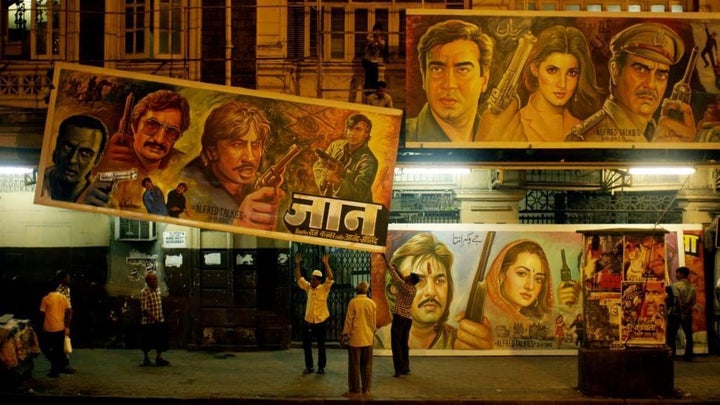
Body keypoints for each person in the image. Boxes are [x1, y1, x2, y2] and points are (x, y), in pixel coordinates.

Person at [565, 23, 694, 143]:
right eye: (641, 69)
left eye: (661, 75)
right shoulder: (585, 138)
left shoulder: (661, 131)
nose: (651, 85)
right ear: (615, 71)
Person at [489, 25, 605, 142]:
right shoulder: (514, 124)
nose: (562, 84)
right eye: (552, 70)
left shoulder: (584, 129)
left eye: (571, 73)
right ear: (535, 68)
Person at [181, 101, 284, 230]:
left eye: (255, 145)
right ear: (212, 152)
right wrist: (237, 227)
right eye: (237, 145)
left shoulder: (255, 183)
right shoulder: (189, 188)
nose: (250, 158)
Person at [90, 89, 191, 209]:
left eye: (172, 131)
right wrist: (102, 170)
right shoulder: (105, 160)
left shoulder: (184, 168)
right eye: (152, 125)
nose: (159, 140)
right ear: (134, 126)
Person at [405, 19, 494, 143]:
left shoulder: (499, 137)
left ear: (484, 80)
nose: (449, 84)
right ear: (424, 78)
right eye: (437, 69)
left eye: (462, 70)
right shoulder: (399, 138)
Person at [41, 113, 109, 203]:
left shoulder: (100, 201)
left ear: (97, 159)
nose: (72, 160)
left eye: (85, 153)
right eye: (67, 147)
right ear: (57, 146)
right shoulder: (38, 184)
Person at [312, 113, 378, 203]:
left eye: (358, 129)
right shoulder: (335, 146)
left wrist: (337, 182)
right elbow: (318, 165)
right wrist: (323, 179)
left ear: (366, 133)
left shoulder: (369, 161)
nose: (352, 133)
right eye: (350, 128)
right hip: (329, 201)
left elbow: (359, 193)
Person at [376, 252, 418, 377]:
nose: (406, 276)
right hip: (407, 319)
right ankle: (405, 366)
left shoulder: (404, 286)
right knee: (404, 343)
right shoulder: (412, 288)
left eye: (408, 276)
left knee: (396, 343)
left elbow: (394, 275)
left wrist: (386, 259)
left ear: (410, 280)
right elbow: (401, 277)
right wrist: (396, 268)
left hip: (399, 318)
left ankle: (398, 369)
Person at [295, 252, 334, 374]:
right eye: (311, 279)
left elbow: (331, 278)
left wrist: (326, 263)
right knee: (307, 346)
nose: (311, 280)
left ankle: (321, 367)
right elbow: (299, 278)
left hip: (321, 321)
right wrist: (298, 264)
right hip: (308, 321)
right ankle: (309, 366)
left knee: (321, 346)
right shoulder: (308, 288)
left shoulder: (324, 289)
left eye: (313, 279)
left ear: (319, 280)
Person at [340, 281, 376, 397]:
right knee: (367, 365)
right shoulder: (372, 303)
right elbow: (373, 324)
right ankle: (366, 389)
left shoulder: (353, 302)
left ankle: (355, 389)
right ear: (367, 290)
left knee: (354, 365)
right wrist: (371, 333)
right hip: (368, 338)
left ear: (357, 290)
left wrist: (344, 334)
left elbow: (349, 320)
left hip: (355, 338)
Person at [39, 281, 73, 377]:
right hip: (60, 328)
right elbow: (70, 312)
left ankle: (55, 368)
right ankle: (56, 369)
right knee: (58, 350)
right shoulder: (63, 298)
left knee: (45, 348)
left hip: (48, 329)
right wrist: (67, 325)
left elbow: (42, 314)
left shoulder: (45, 299)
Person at [666, 266, 697, 361]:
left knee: (672, 335)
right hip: (687, 314)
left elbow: (677, 300)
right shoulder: (692, 287)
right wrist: (686, 312)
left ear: (682, 274)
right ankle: (688, 355)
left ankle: (672, 354)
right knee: (688, 335)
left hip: (676, 314)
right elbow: (693, 302)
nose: (676, 275)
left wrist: (680, 312)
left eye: (677, 273)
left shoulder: (675, 286)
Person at [140, 271, 170, 367]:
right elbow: (144, 308)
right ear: (148, 281)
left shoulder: (158, 290)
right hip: (148, 322)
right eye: (154, 279)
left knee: (160, 340)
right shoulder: (144, 292)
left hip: (159, 320)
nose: (156, 281)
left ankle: (159, 358)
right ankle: (146, 358)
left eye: (156, 279)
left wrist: (160, 318)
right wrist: (154, 317)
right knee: (146, 342)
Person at [55, 269, 74, 371]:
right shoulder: (60, 291)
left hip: (63, 319)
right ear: (62, 279)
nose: (69, 278)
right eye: (67, 277)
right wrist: (66, 325)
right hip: (61, 320)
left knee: (64, 341)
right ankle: (63, 365)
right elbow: (64, 309)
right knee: (62, 342)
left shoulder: (66, 289)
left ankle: (63, 364)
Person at [362, 23, 387, 96]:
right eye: (376, 30)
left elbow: (382, 46)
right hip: (368, 60)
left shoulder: (381, 39)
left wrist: (378, 38)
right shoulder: (369, 36)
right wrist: (375, 39)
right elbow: (369, 43)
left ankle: (373, 93)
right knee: (368, 79)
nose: (377, 32)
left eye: (379, 31)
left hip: (375, 61)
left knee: (374, 79)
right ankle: (368, 94)